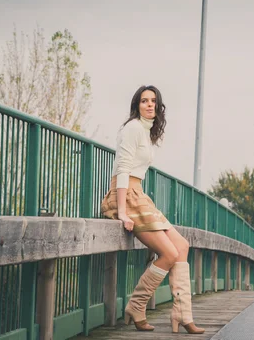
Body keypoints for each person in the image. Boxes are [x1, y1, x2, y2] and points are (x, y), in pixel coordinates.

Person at [101, 85, 204, 334]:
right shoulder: (133, 128)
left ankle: (182, 313)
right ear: (137, 105)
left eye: (153, 101)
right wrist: (122, 212)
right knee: (169, 254)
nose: (149, 105)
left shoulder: (146, 132)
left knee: (182, 246)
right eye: (144, 101)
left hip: (139, 195)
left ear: (158, 107)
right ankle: (137, 306)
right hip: (126, 196)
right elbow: (123, 170)